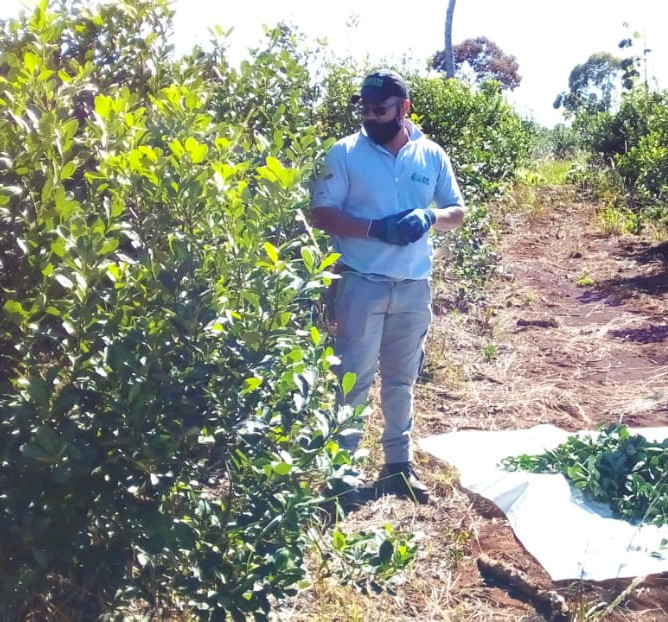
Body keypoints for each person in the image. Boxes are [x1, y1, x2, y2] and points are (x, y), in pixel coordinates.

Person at [309, 69, 466, 504]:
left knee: (402, 379)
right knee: (352, 380)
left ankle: (398, 466)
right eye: (365, 109)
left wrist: (430, 216)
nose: (370, 117)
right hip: (361, 283)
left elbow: (457, 211)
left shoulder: (431, 154)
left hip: (413, 286)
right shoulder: (344, 153)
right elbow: (321, 213)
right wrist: (375, 228)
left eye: (379, 110)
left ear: (404, 108)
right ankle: (340, 473)